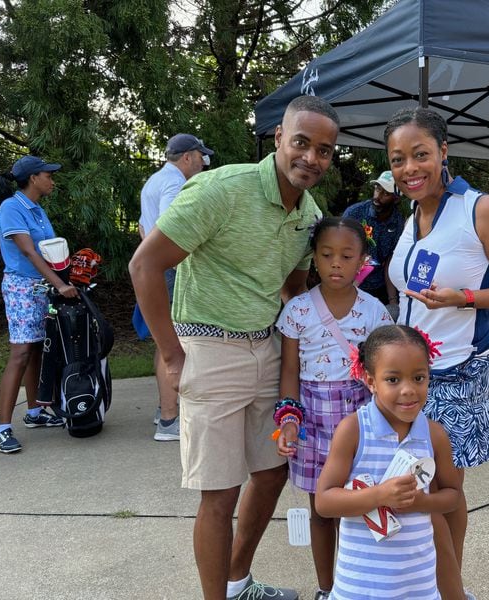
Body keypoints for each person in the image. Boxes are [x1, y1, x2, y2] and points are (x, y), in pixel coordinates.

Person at [129, 94, 339, 600]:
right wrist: (174, 354)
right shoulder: (222, 189)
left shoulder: (309, 215)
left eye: (324, 150)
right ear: (279, 140)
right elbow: (144, 265)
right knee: (220, 493)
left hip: (266, 349)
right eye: (301, 143)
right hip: (209, 347)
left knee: (272, 474)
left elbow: (292, 290)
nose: (311, 158)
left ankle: (237, 581)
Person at [384, 107, 489, 597]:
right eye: (397, 159)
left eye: (420, 155)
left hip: (456, 374)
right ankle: (427, 582)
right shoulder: (413, 215)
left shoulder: (482, 209)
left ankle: (449, 591)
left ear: (444, 152)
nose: (409, 169)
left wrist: (466, 297)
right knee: (415, 487)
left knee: (443, 492)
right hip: (408, 376)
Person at [275, 216, 393, 600]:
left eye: (346, 255)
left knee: (364, 505)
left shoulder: (375, 312)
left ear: (363, 261)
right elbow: (290, 370)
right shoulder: (297, 311)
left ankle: (359, 586)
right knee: (322, 511)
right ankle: (327, 590)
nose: (336, 264)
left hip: (361, 420)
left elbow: (383, 373)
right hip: (312, 419)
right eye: (326, 255)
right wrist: (289, 421)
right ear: (314, 258)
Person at [315, 324, 462, 600]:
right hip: (360, 586)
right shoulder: (354, 430)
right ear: (370, 381)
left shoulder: (434, 435)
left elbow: (453, 497)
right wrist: (380, 495)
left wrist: (421, 503)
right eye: (393, 380)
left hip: (417, 585)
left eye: (418, 378)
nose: (408, 390)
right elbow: (324, 501)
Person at [0, 155, 79, 453]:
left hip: (42, 287)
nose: (52, 180)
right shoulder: (12, 208)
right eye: (47, 175)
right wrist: (60, 284)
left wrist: (69, 275)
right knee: (20, 353)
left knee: (37, 350)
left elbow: (50, 250)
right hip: (22, 288)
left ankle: (35, 411)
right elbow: (29, 252)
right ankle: (2, 429)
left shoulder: (38, 210)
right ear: (32, 178)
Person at [138, 133, 214, 442]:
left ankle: (164, 410)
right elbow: (174, 227)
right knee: (171, 343)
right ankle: (169, 419)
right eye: (200, 156)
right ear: (187, 157)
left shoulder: (154, 181)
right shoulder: (175, 184)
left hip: (159, 269)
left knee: (164, 340)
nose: (203, 162)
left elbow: (145, 228)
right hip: (171, 271)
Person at [342, 170, 405, 309]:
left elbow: (390, 260)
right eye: (377, 189)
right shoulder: (355, 213)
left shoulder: (398, 224)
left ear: (396, 198)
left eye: (386, 193)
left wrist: (392, 300)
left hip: (378, 291)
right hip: (348, 285)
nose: (378, 196)